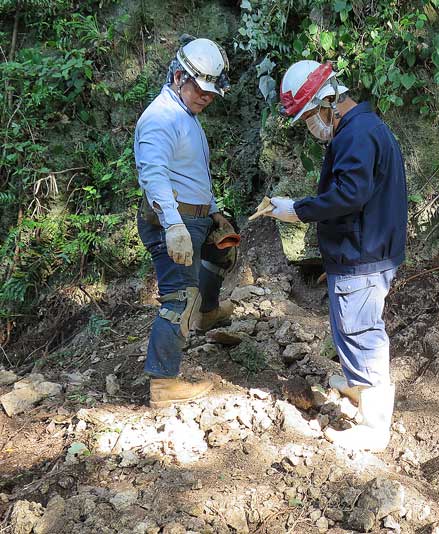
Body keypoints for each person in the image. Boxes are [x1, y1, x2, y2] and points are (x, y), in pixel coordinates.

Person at [252, 60, 408, 452]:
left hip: (363, 253)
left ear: (329, 101)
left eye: (309, 115)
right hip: (366, 248)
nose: (311, 125)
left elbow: (349, 195)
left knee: (360, 329)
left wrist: (298, 209)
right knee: (350, 323)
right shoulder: (366, 128)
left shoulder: (356, 135)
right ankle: (358, 387)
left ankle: (374, 426)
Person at [135, 36, 238, 408]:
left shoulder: (185, 115)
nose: (207, 98)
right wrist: (174, 226)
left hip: (194, 216)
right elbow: (153, 173)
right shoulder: (161, 118)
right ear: (180, 77)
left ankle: (208, 314)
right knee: (179, 295)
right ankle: (163, 384)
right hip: (172, 220)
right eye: (202, 90)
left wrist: (213, 213)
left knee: (223, 254)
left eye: (212, 92)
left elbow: (192, 173)